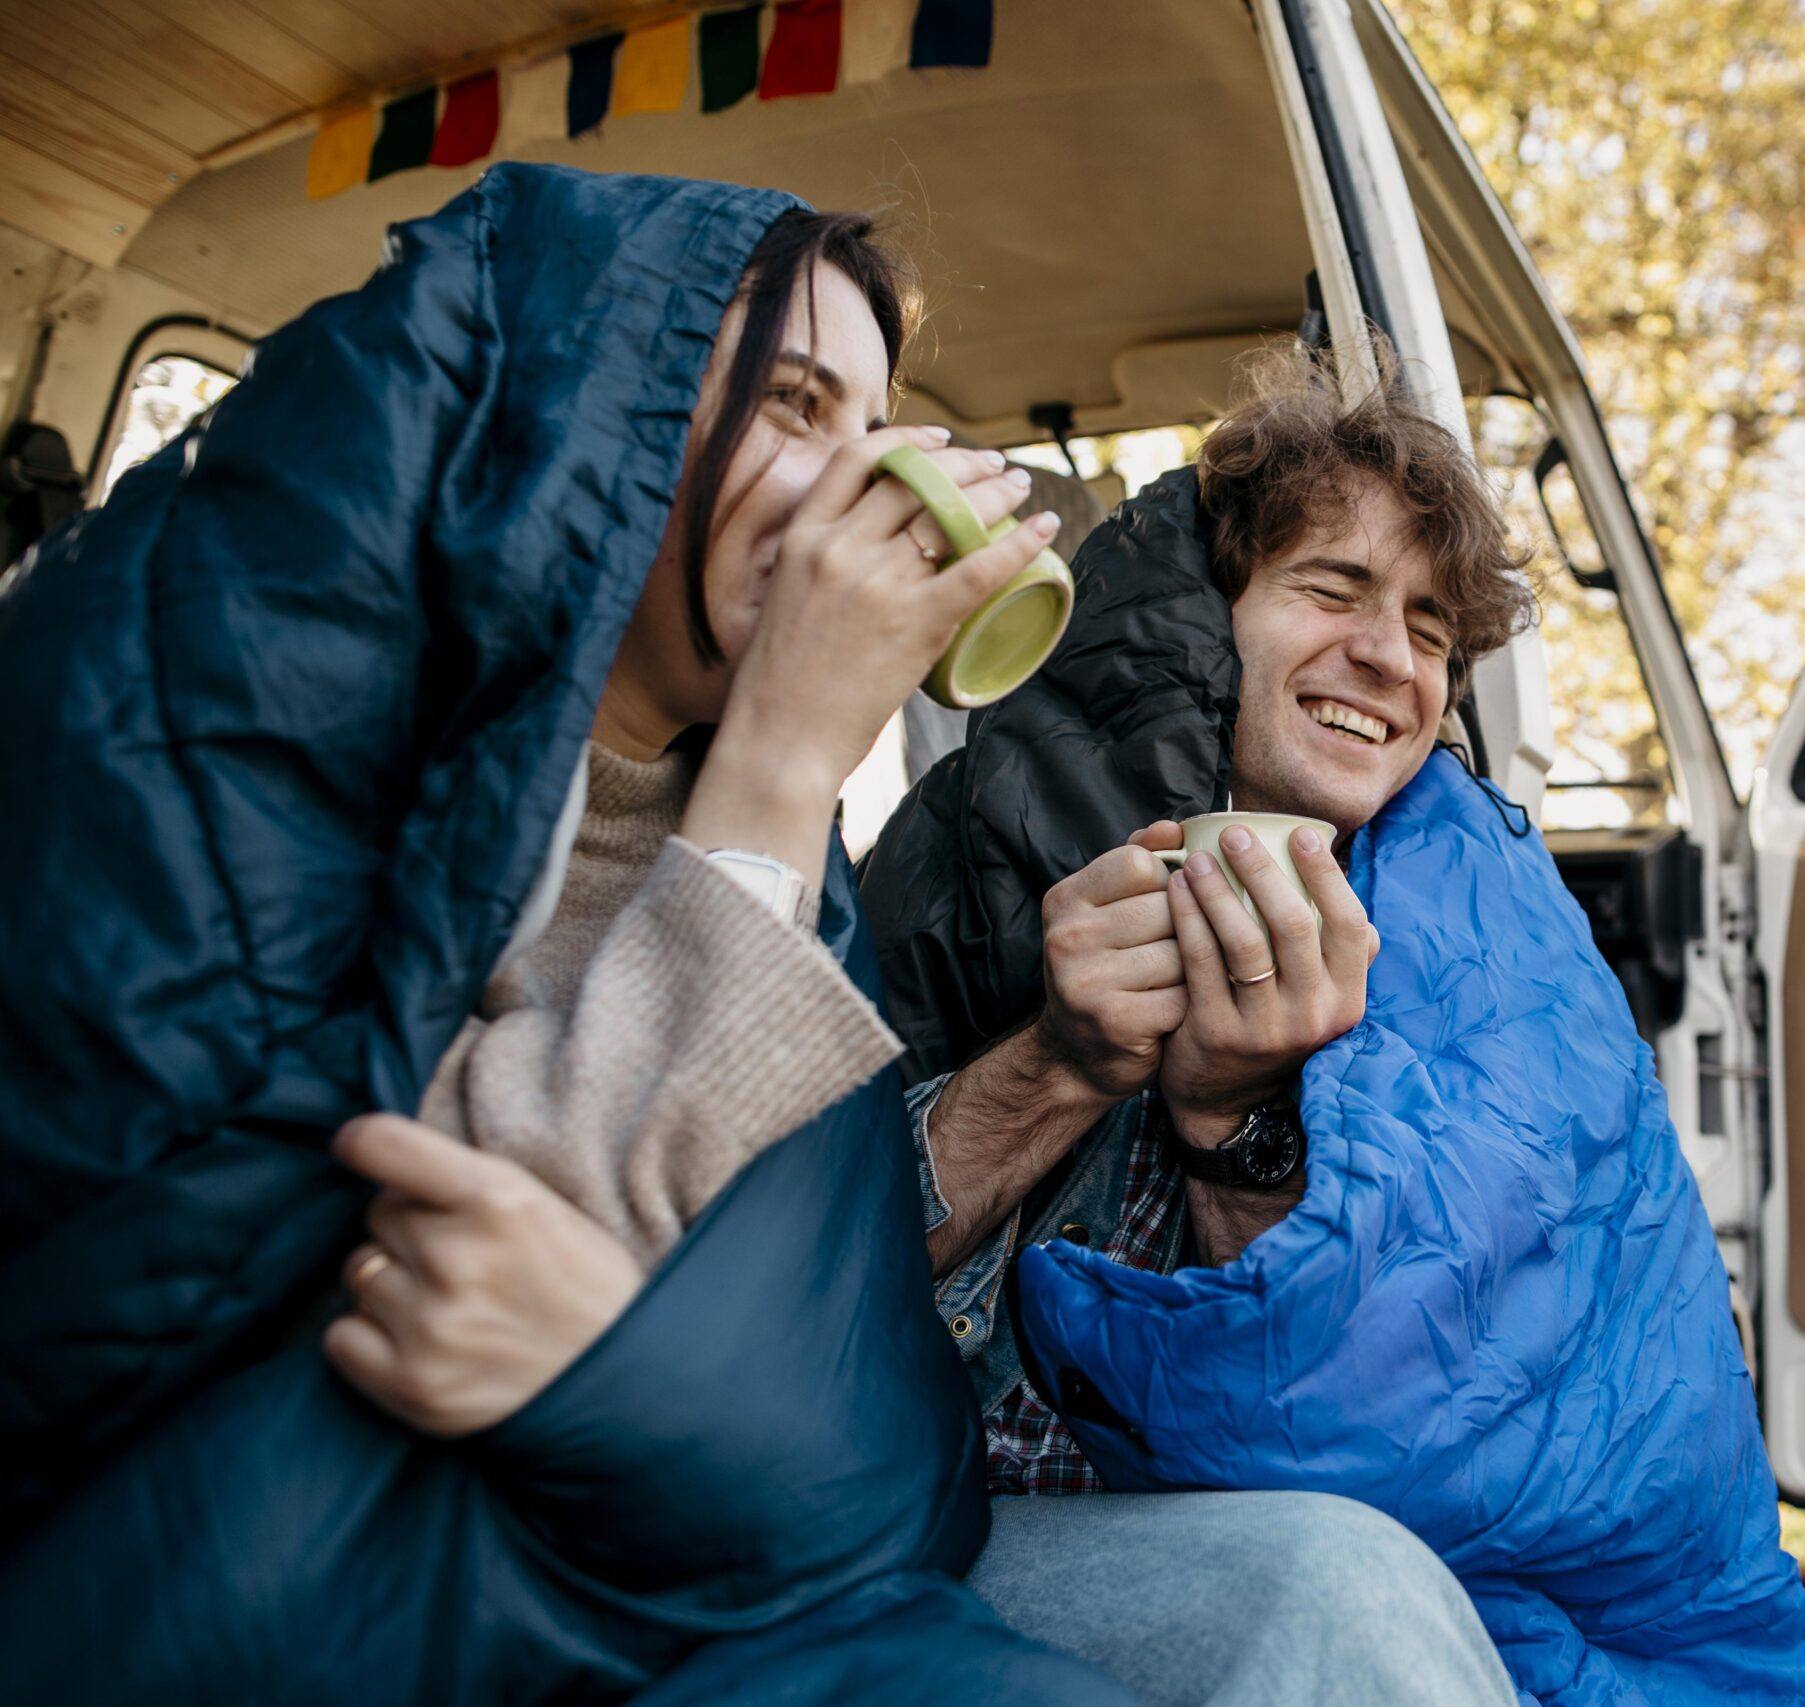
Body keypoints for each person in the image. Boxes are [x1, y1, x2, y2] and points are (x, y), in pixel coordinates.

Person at [0, 164, 1120, 1705]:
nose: (853, 495)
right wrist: (787, 757)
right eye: (795, 407)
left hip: (704, 1573)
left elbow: (870, 1425)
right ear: (593, 416)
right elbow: (383, 1296)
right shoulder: (263, 716)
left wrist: (642, 1386)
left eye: (875, 438)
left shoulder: (783, 844)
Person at [860, 350, 1805, 1702]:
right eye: (1334, 589)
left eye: (1435, 631)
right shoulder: (968, 857)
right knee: (1347, 1595)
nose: (1390, 657)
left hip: (1453, 1561)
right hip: (964, 1527)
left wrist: (1231, 1125)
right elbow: (789, 1298)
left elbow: (1438, 1406)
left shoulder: (1486, 900)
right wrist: (1058, 1066)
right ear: (1207, 618)